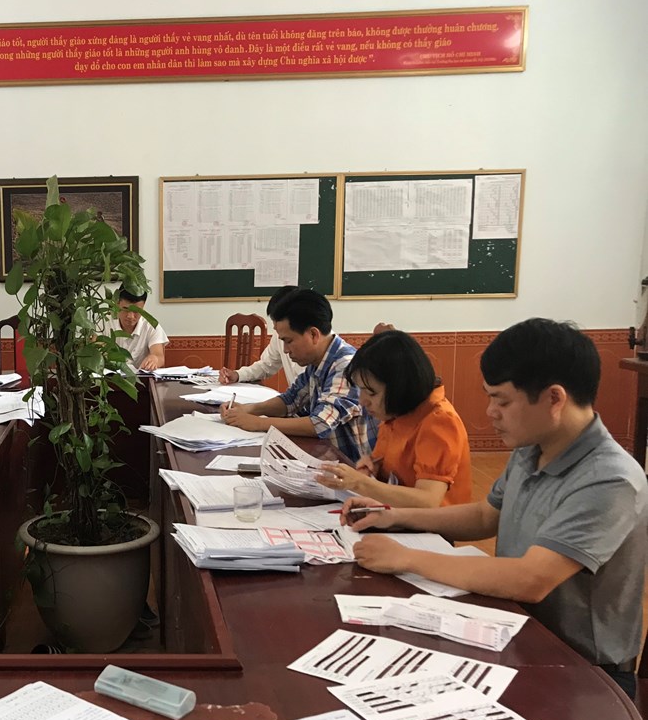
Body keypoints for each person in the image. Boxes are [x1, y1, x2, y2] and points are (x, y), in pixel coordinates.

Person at [347, 319, 647, 699]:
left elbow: (530, 579)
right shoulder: (532, 447)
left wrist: (406, 557)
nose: (490, 412)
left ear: (554, 399)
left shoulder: (609, 480)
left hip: (582, 670)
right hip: (514, 631)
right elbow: (486, 516)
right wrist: (393, 515)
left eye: (501, 400)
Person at [314, 330, 472, 507]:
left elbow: (428, 501)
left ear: (400, 389)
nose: (363, 401)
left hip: (433, 523)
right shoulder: (397, 413)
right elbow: (387, 467)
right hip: (397, 514)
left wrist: (360, 483)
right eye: (361, 390)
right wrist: (371, 468)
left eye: (371, 393)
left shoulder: (439, 422)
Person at [221, 288, 375, 462]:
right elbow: (291, 400)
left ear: (313, 334)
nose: (286, 350)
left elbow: (320, 423)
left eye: (289, 341)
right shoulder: (318, 361)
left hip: (352, 466)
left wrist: (258, 423)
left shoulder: (345, 365)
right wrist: (249, 409)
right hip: (326, 458)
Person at [218, 287, 304, 387]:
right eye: (273, 320)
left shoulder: (316, 358)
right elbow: (266, 365)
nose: (274, 327)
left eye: (277, 320)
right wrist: (238, 375)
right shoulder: (279, 336)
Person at [110, 286, 168, 371]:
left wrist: (154, 359)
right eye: (125, 309)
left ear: (143, 307)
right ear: (117, 304)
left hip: (141, 378)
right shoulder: (103, 324)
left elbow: (159, 356)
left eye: (136, 310)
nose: (130, 316)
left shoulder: (151, 326)